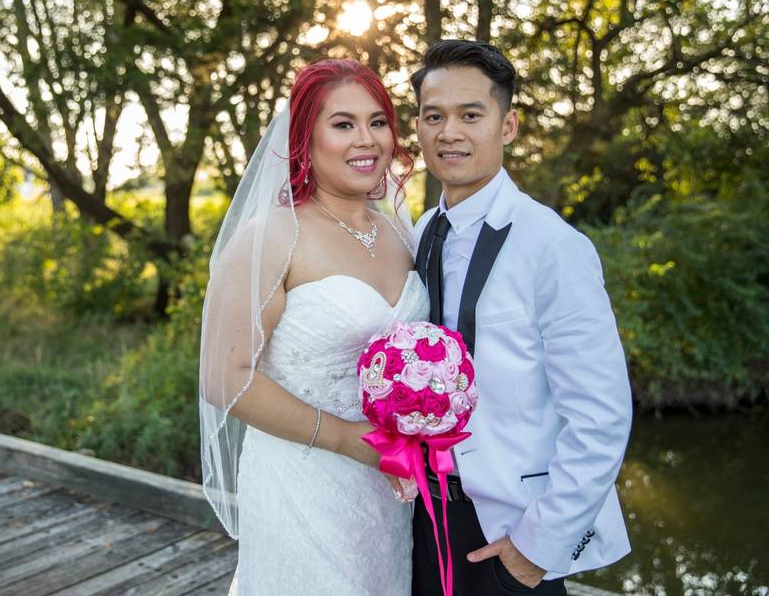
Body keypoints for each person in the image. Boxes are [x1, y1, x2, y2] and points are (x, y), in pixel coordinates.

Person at [411, 40, 633, 595]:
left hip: (506, 533)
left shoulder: (554, 245)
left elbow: (601, 416)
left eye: (470, 115)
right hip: (417, 521)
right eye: (433, 116)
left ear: (508, 125)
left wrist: (537, 548)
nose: (449, 132)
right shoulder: (417, 235)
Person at [199, 59, 426, 595]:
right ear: (306, 136)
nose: (365, 139)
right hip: (303, 479)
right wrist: (347, 439)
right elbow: (224, 377)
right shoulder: (272, 235)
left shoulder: (399, 232)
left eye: (377, 121)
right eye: (343, 124)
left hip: (387, 489)